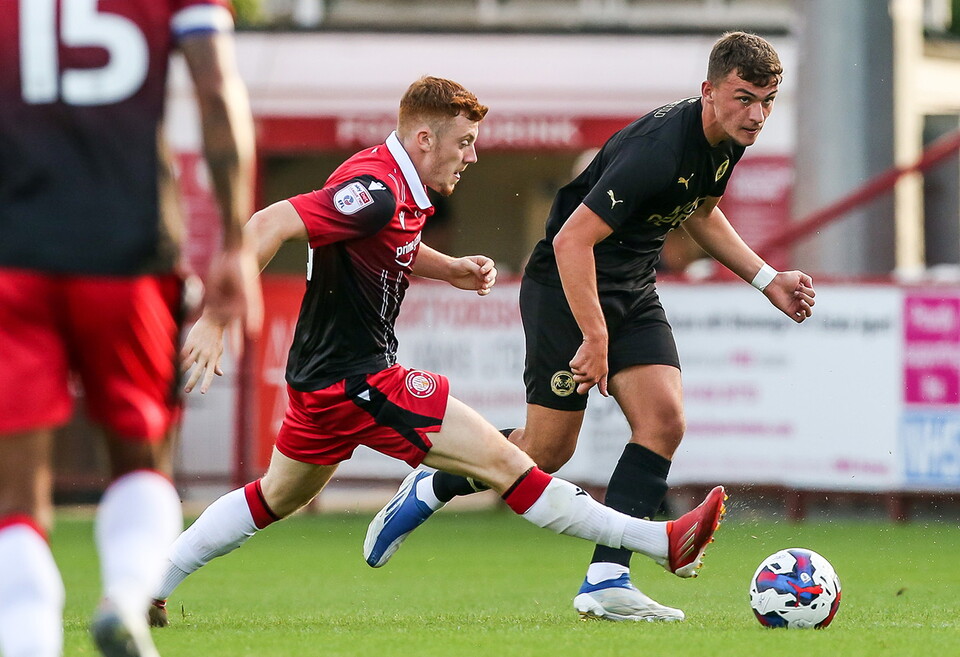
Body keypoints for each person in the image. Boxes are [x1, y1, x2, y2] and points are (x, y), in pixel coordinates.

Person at [147, 76, 727, 628]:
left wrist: (448, 268)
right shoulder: (376, 191)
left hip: (321, 386)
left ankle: (150, 584)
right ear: (425, 139)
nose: (471, 156)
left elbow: (384, 239)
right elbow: (268, 222)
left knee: (273, 497)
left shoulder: (395, 183)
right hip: (363, 382)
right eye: (464, 142)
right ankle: (660, 541)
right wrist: (217, 317)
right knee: (511, 467)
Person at [364, 32, 816, 623]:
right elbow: (571, 241)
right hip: (564, 289)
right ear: (709, 91)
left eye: (767, 101)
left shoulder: (725, 141)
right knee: (547, 451)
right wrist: (595, 336)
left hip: (632, 289)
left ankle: (607, 579)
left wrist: (766, 278)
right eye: (744, 98)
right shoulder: (658, 149)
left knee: (664, 421)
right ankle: (436, 484)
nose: (756, 115)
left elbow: (701, 212)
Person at [0, 1, 261, 656]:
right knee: (142, 460)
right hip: (126, 252)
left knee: (14, 499)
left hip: (12, 258)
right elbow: (217, 92)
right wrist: (235, 242)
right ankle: (124, 595)